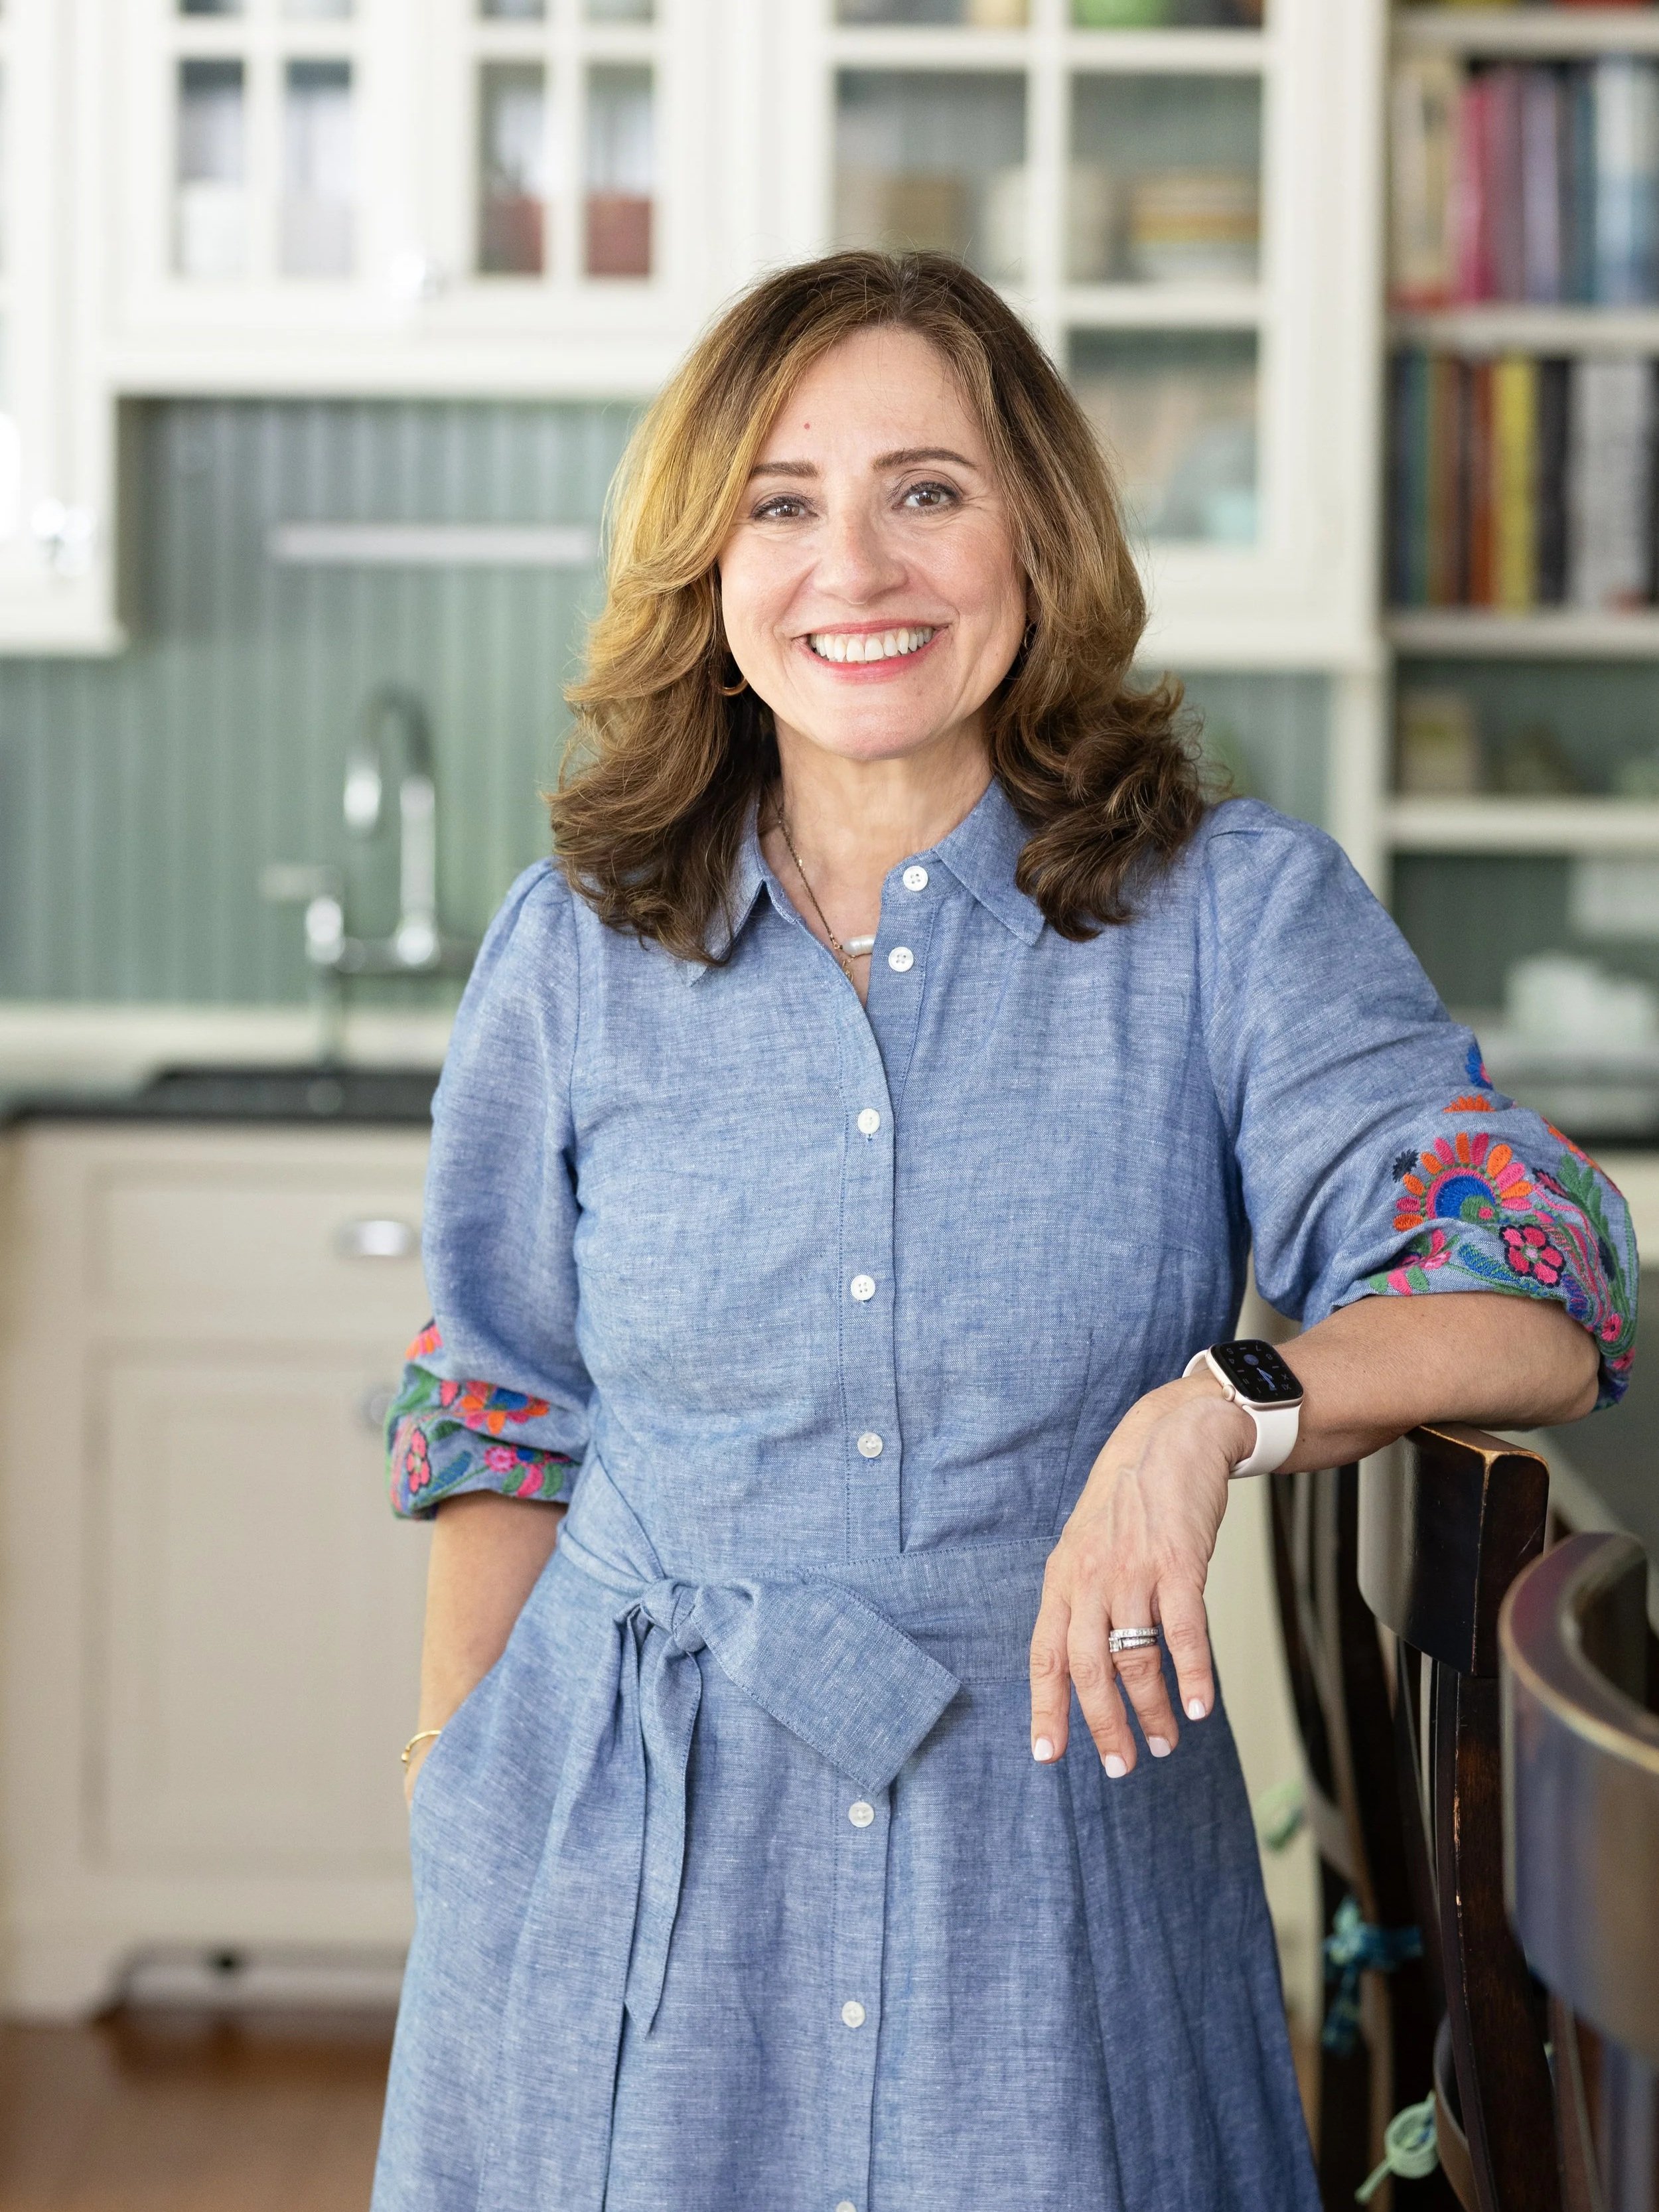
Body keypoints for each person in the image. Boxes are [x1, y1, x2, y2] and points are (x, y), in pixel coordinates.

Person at [370, 252, 1633, 2212]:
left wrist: (1222, 1402)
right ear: (709, 570)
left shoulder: (1225, 918)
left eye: (926, 491)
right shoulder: (574, 949)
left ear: (1035, 531)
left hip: (1044, 1865)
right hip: (627, 1866)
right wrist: (459, 1777)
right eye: (781, 502)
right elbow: (499, 1410)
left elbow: (1540, 1272)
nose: (852, 566)